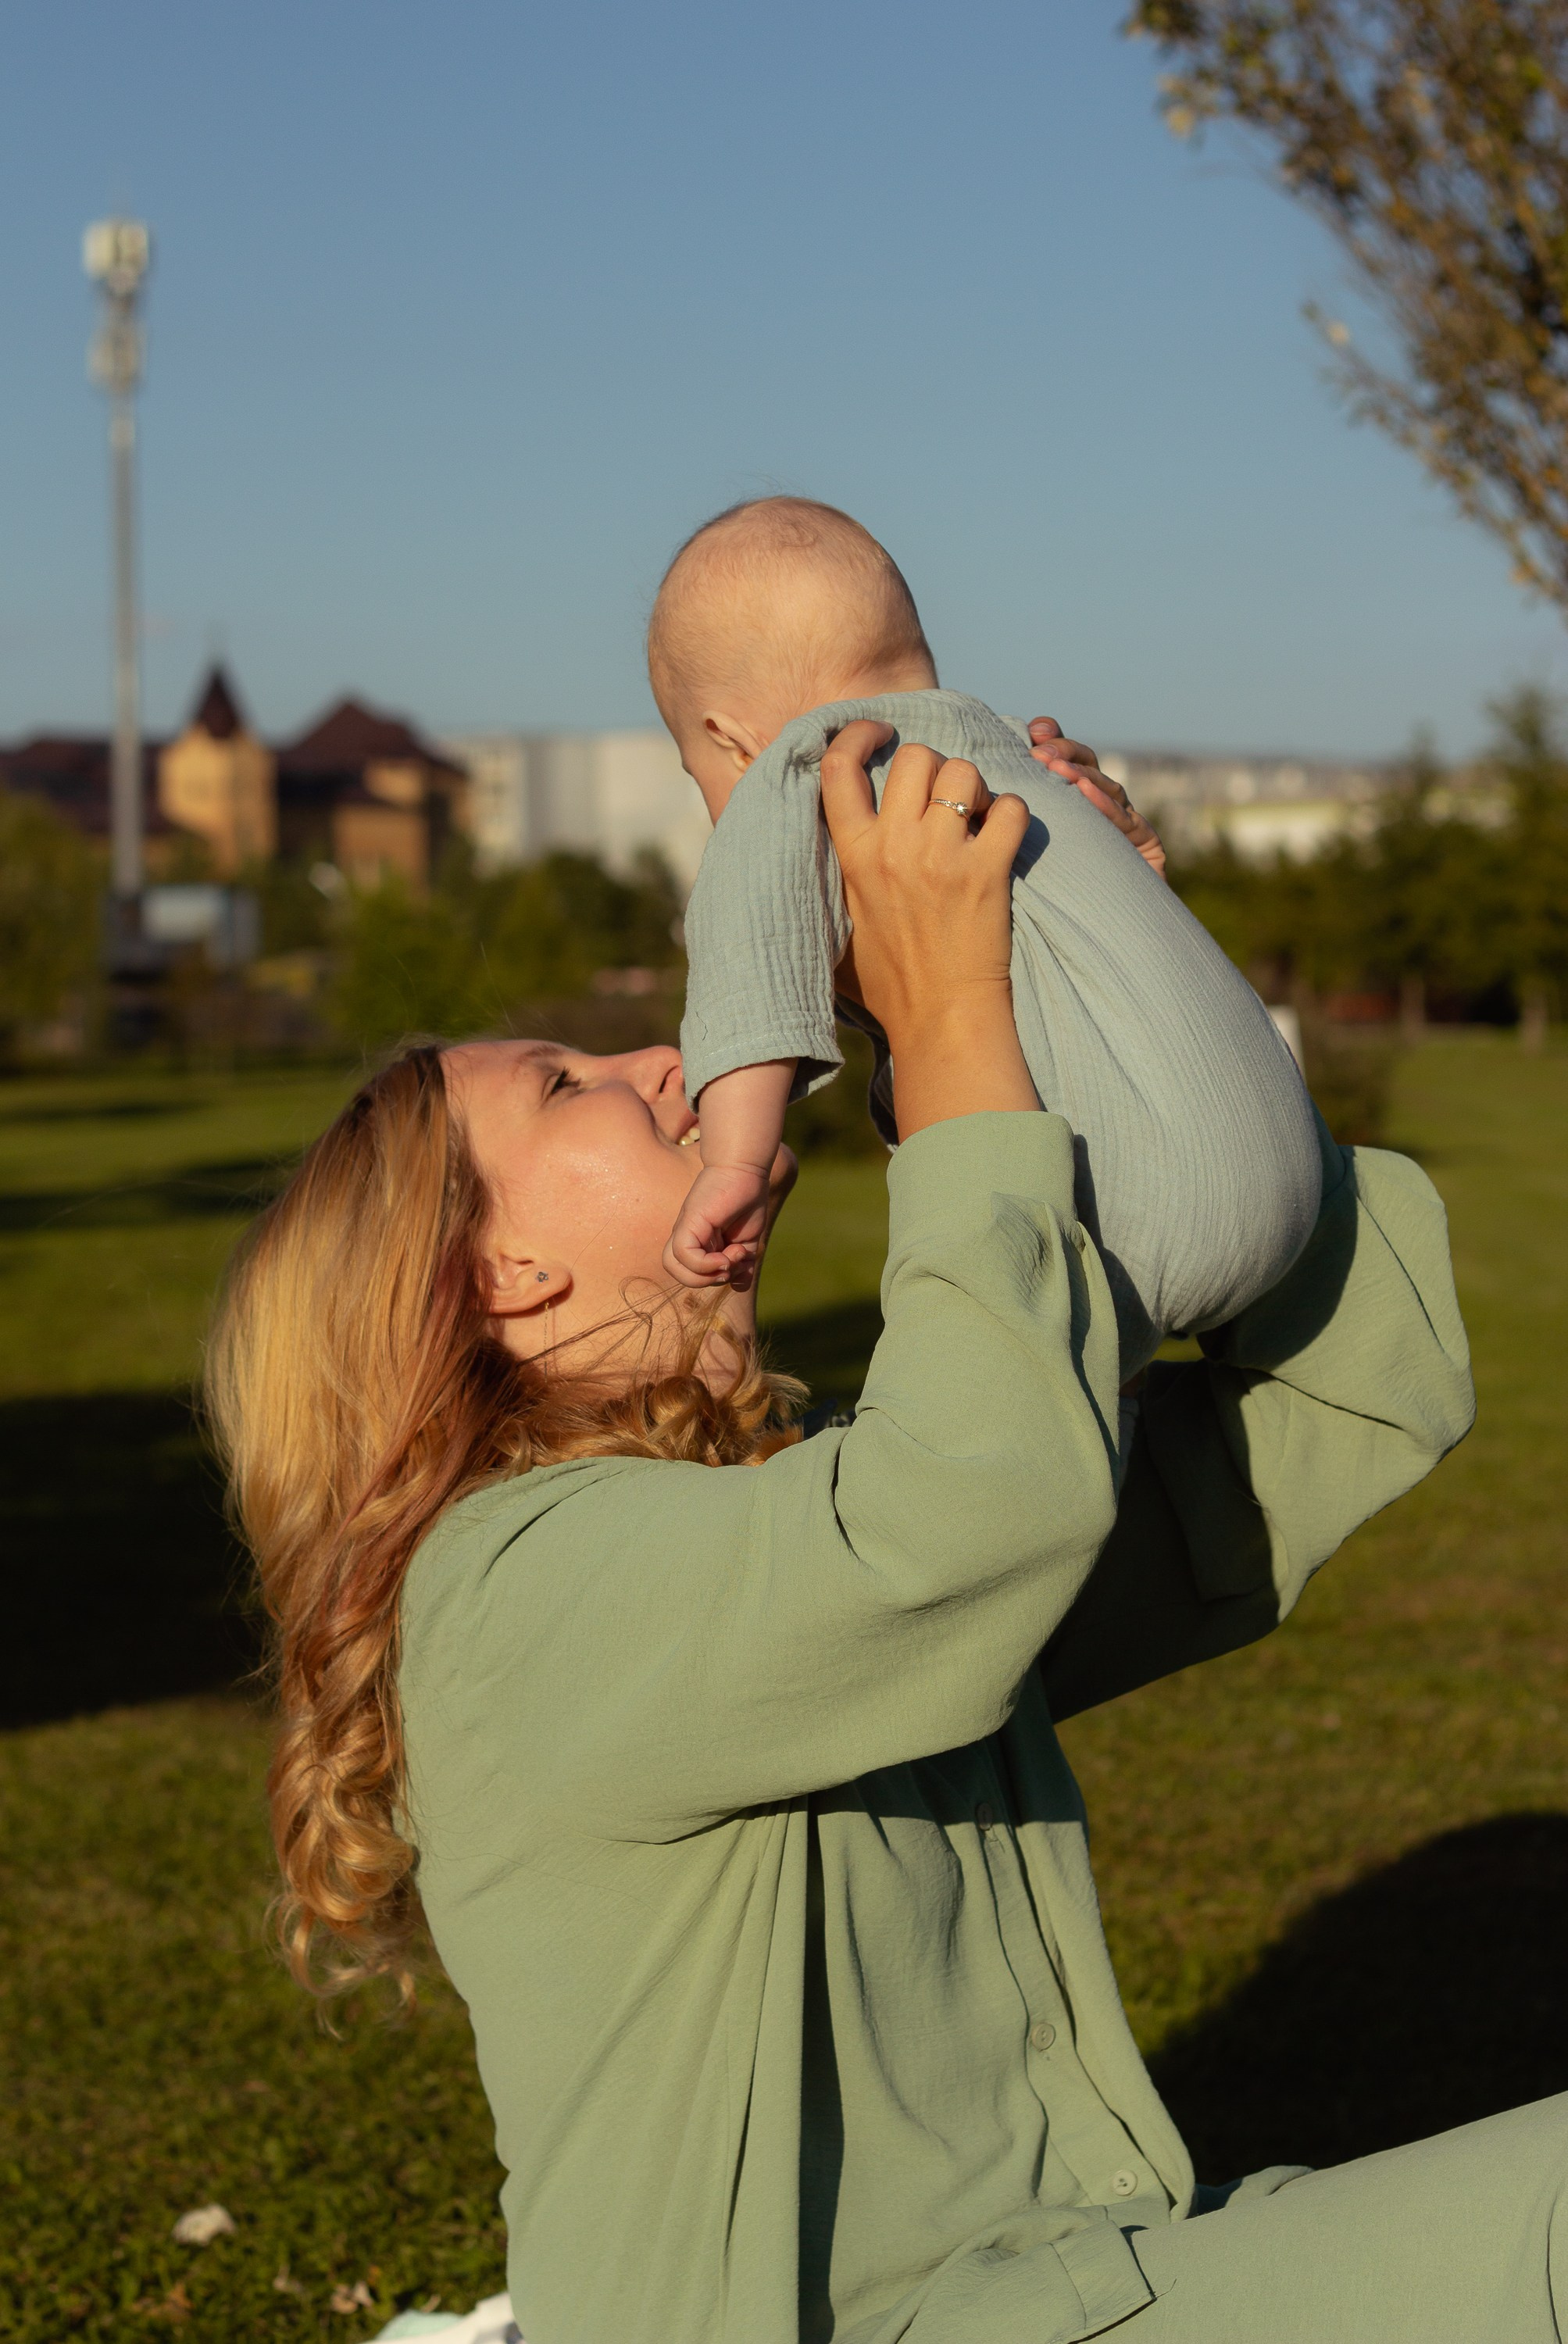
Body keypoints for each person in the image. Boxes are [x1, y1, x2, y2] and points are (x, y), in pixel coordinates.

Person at [209, 725, 1536, 2344]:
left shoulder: (786, 1526)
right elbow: (967, 1508)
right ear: (497, 1282)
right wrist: (951, 1009)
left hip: (1084, 2281)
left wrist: (1116, 973)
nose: (658, 1063)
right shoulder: (505, 1599)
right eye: (563, 1083)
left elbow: (1347, 1402)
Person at [651, 496, 1322, 1395]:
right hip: (1288, 1186)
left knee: (992, 1398)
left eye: (698, 778)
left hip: (1128, 1229)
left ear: (728, 741)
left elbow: (750, 965)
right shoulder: (1017, 761)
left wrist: (734, 1159)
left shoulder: (802, 766)